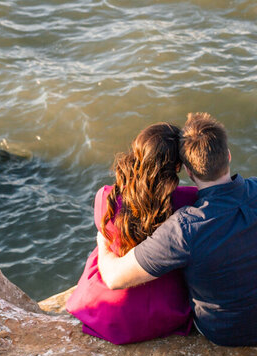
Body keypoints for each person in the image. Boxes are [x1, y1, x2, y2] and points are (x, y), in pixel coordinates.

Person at [97, 112, 257, 346]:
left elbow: (114, 278)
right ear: (228, 155)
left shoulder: (184, 229)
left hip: (227, 334)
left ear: (188, 171)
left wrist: (102, 240)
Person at [65, 122, 197, 344]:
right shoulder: (189, 200)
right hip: (167, 311)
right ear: (177, 167)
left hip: (112, 313)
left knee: (105, 241)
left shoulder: (105, 197)